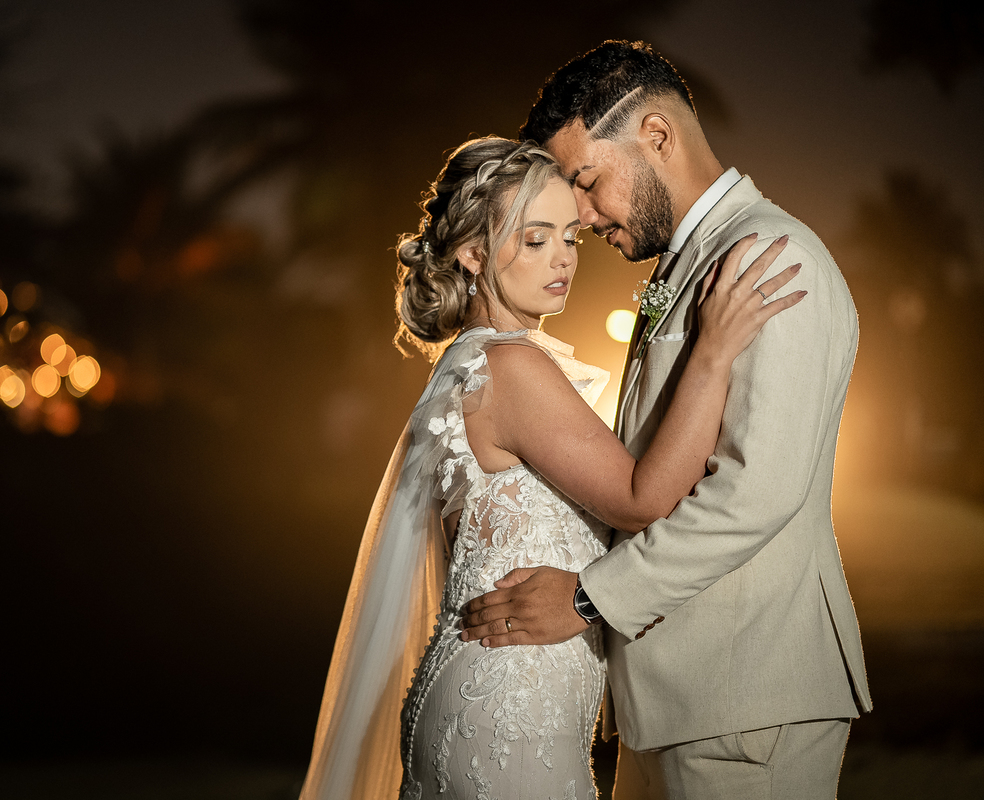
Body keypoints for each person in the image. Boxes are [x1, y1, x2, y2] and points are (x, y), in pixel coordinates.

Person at [299, 135, 802, 799]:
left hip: (496, 704)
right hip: (506, 717)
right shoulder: (510, 366)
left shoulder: (473, 359)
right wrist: (711, 355)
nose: (563, 258)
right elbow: (638, 496)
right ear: (473, 253)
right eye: (535, 239)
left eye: (571, 237)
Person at [460, 41, 871, 799]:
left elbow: (757, 492)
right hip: (673, 699)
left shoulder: (772, 257)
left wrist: (588, 598)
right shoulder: (683, 265)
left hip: (747, 699)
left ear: (656, 135)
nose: (580, 215)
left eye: (586, 182)